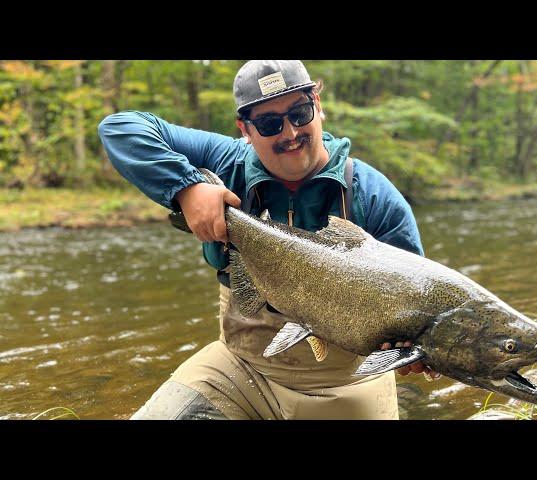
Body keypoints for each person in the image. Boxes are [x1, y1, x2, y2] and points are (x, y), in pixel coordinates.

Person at [98, 60, 439, 420]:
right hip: (242, 369)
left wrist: (415, 350)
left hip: (346, 382)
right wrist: (186, 187)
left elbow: (417, 304)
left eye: (300, 113)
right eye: (269, 123)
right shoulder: (226, 162)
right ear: (245, 128)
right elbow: (120, 128)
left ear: (318, 107)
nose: (290, 132)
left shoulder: (374, 197)